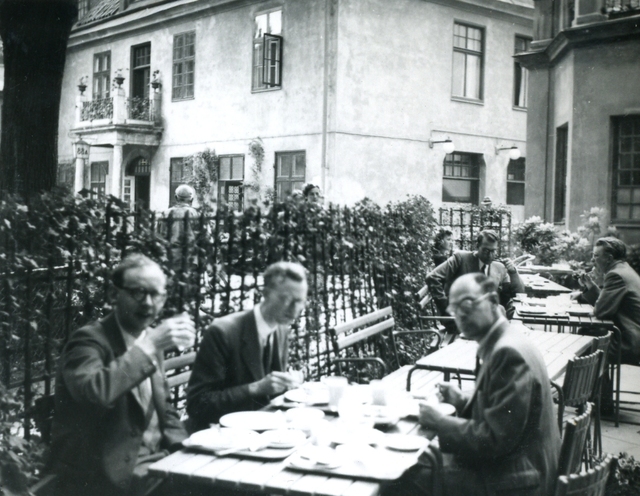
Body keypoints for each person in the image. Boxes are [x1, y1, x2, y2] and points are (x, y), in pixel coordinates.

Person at [385, 273, 561, 496]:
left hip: (519, 482)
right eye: (454, 309)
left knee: (401, 474)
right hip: (524, 467)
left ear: (493, 301)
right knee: (418, 461)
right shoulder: (505, 340)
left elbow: (494, 440)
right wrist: (462, 399)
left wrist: (441, 422)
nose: (460, 315)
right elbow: (507, 410)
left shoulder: (507, 352)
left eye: (467, 304)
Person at [50, 254, 196, 496]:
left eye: (156, 294)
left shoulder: (147, 340)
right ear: (113, 295)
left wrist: (185, 448)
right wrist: (148, 346)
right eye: (138, 292)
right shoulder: (88, 340)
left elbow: (165, 409)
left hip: (154, 464)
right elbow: (94, 392)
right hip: (101, 475)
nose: (149, 303)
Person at [187, 261, 308, 431]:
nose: (294, 309)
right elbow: (198, 405)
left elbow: (272, 395)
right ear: (265, 293)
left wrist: (288, 383)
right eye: (286, 299)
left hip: (261, 432)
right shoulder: (223, 332)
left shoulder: (281, 328)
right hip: (219, 436)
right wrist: (255, 388)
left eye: (299, 301)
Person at [426, 229, 524, 320]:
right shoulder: (460, 259)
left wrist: (513, 272)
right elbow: (433, 277)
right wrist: (446, 308)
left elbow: (518, 293)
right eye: (486, 251)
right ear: (477, 246)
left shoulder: (498, 267)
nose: (490, 255)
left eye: (493, 251)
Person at [579, 236, 640, 365]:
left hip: (628, 343)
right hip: (633, 338)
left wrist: (599, 281)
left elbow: (601, 311)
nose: (592, 260)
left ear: (609, 258)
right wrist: (591, 285)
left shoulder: (615, 275)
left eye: (596, 256)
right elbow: (607, 304)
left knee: (581, 340)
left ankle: (594, 384)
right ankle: (601, 385)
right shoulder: (623, 269)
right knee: (586, 334)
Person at [164, 184, 198, 266]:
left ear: (176, 197)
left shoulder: (166, 213)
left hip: (171, 256)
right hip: (190, 258)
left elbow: (160, 235)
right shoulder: (195, 213)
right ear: (191, 199)